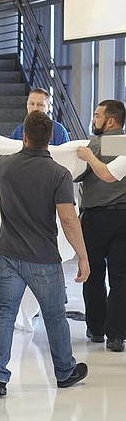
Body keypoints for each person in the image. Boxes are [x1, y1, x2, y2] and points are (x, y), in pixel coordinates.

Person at [0, 110, 89, 397]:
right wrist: (82, 256)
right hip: (43, 259)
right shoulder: (59, 174)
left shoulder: (4, 166)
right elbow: (69, 219)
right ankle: (65, 372)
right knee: (55, 316)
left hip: (7, 256)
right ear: (50, 140)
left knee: (5, 314)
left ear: (24, 137)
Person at [73, 99, 126, 351]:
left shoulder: (93, 146)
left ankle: (95, 329)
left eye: (97, 115)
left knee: (92, 273)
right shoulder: (124, 143)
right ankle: (116, 335)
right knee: (121, 277)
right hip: (123, 218)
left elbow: (75, 173)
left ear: (111, 120)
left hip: (95, 218)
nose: (93, 120)